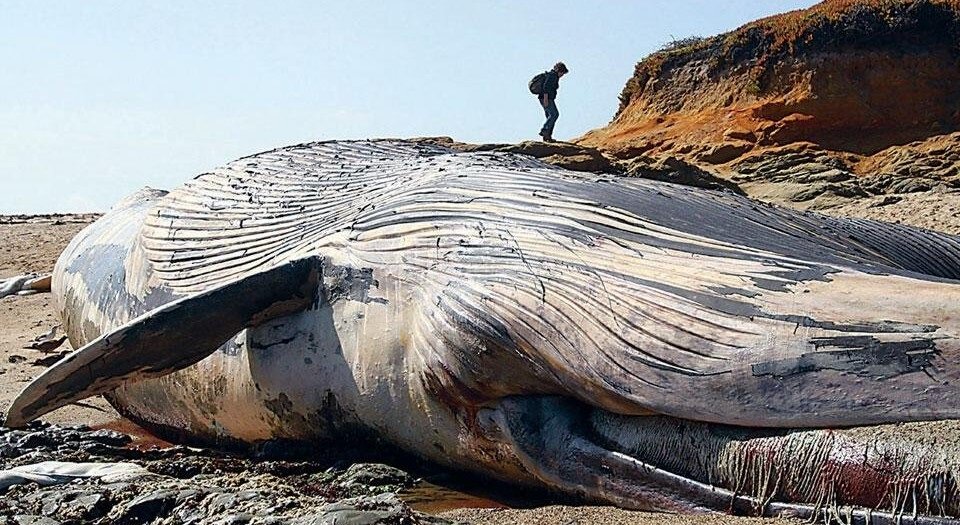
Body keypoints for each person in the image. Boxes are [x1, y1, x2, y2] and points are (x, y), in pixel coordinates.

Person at [538, 62, 568, 142]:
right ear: (559, 71)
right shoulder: (552, 76)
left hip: (546, 98)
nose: (562, 75)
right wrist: (545, 99)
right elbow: (546, 87)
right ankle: (544, 131)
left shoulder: (552, 76)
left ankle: (547, 137)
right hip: (546, 98)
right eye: (562, 73)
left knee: (550, 117)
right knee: (554, 114)